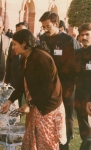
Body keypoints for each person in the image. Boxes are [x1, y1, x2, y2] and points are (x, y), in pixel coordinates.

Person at [5, 29, 66, 149]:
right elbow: (22, 82)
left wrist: (30, 104)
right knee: (32, 143)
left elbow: (47, 88)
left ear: (24, 43)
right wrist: (9, 100)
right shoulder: (25, 58)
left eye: (14, 44)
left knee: (46, 144)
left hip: (48, 108)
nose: (13, 47)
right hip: (37, 105)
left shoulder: (41, 58)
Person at [39, 11, 81, 150]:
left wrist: (69, 89)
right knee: (49, 118)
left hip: (66, 88)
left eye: (47, 26)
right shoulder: (43, 38)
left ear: (56, 24)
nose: (44, 29)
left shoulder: (69, 41)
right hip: (48, 87)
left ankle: (65, 144)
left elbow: (76, 67)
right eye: (43, 27)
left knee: (65, 118)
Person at [5, 21, 29, 107]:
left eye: (22, 31)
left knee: (28, 103)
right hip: (15, 79)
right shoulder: (13, 43)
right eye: (17, 31)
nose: (19, 33)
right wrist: (7, 78)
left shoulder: (32, 46)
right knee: (14, 103)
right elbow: (9, 61)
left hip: (27, 80)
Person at [75, 23, 91, 150]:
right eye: (82, 35)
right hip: (79, 97)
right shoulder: (78, 53)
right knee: (83, 130)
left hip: (90, 99)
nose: (84, 37)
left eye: (87, 34)